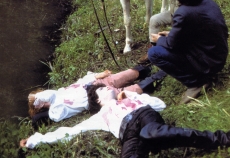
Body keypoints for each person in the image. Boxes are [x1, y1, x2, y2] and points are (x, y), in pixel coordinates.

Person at [20, 84, 230, 157]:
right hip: (127, 133)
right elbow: (69, 131)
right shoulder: (100, 116)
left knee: (153, 133)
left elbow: (159, 104)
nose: (109, 88)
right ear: (100, 101)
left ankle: (220, 138)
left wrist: (132, 96)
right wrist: (34, 140)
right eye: (103, 90)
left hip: (144, 117)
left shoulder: (134, 100)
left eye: (108, 86)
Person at [131, 0, 229, 104]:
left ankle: (195, 82)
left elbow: (171, 44)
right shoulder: (206, 1)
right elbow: (197, 31)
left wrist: (161, 39)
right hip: (217, 54)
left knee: (154, 53)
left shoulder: (184, 12)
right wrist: (171, 34)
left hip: (209, 62)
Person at [28, 64, 166, 124]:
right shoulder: (55, 112)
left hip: (98, 84)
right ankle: (162, 74)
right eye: (39, 100)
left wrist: (97, 76)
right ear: (40, 106)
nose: (43, 96)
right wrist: (37, 100)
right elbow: (50, 96)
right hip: (97, 96)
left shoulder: (61, 92)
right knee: (135, 90)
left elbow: (80, 82)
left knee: (131, 73)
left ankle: (150, 66)